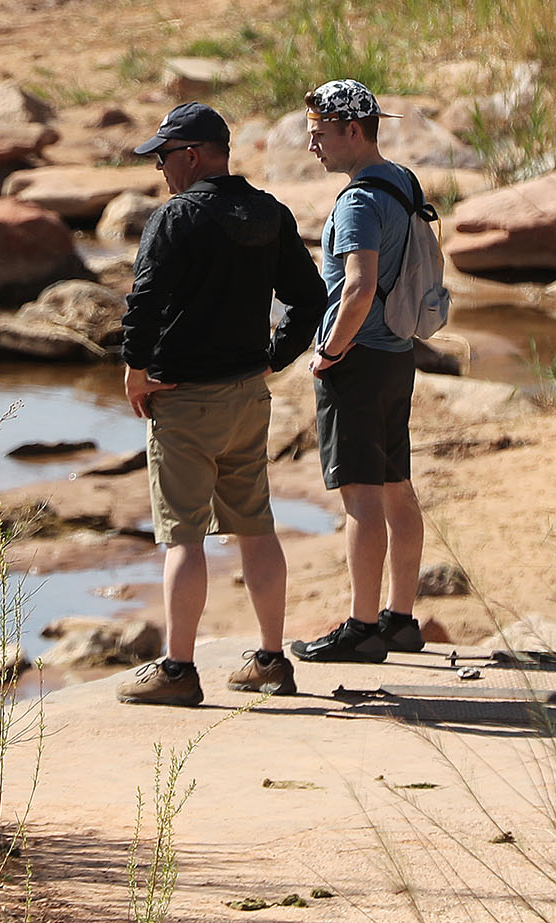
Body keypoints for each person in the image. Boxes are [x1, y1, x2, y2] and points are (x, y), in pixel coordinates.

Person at [114, 100, 332, 706]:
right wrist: (271, 357)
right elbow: (311, 299)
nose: (159, 168)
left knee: (183, 536)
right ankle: (270, 660)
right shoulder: (268, 212)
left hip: (182, 398)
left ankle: (178, 672)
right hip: (246, 395)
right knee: (255, 526)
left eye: (163, 156)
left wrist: (134, 370)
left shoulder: (176, 218)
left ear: (191, 155)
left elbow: (146, 302)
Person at [288, 79, 429, 663]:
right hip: (397, 353)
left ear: (353, 130)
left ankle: (362, 628)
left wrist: (328, 353)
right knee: (396, 484)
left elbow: (359, 286)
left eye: (320, 134)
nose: (312, 145)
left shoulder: (356, 202)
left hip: (360, 359)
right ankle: (400, 618)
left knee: (360, 496)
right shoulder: (402, 179)